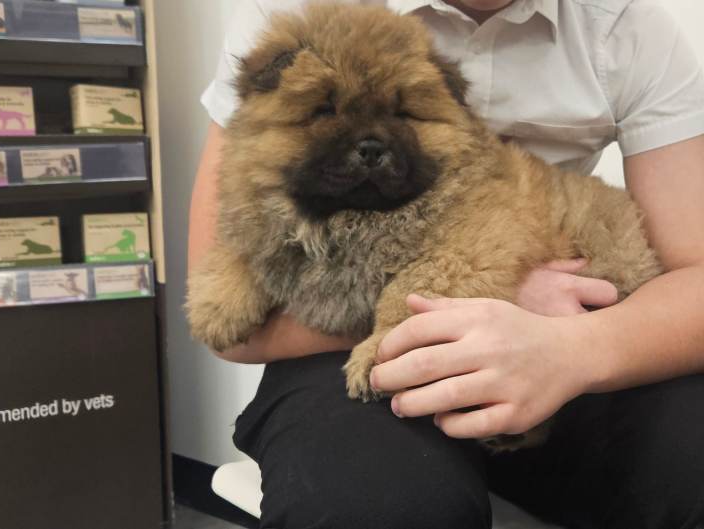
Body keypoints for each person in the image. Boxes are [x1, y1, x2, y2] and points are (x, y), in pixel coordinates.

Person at [190, 0, 704, 527]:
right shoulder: (293, 15)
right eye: (325, 112)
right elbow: (223, 317)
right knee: (377, 507)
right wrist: (467, 307)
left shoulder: (622, 24)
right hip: (338, 347)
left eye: (403, 114)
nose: (369, 140)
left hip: (575, 327)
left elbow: (695, 281)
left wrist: (570, 347)